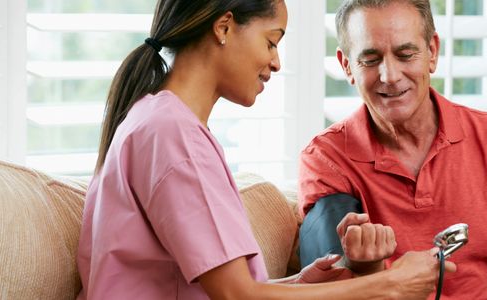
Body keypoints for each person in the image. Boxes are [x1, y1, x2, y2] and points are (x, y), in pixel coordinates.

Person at [76, 0, 456, 299]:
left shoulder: (159, 120)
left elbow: (226, 288)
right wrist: (389, 285)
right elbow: (237, 296)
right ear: (224, 27)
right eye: (271, 41)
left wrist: (299, 284)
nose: (275, 62)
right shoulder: (171, 134)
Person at [298, 0, 487, 299]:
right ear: (347, 65)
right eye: (370, 59)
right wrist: (366, 267)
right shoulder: (326, 159)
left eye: (406, 54)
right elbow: (331, 290)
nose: (390, 75)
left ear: (432, 52)